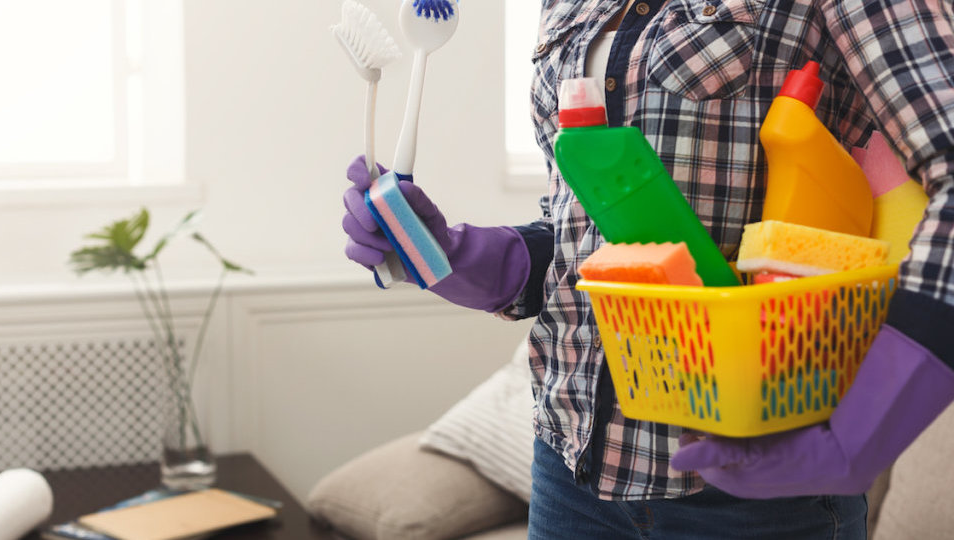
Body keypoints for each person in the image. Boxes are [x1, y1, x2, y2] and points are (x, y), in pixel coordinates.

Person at [341, 1, 954, 538]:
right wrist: (458, 255)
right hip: (567, 475)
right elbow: (579, 230)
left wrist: (864, 429)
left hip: (754, 500)